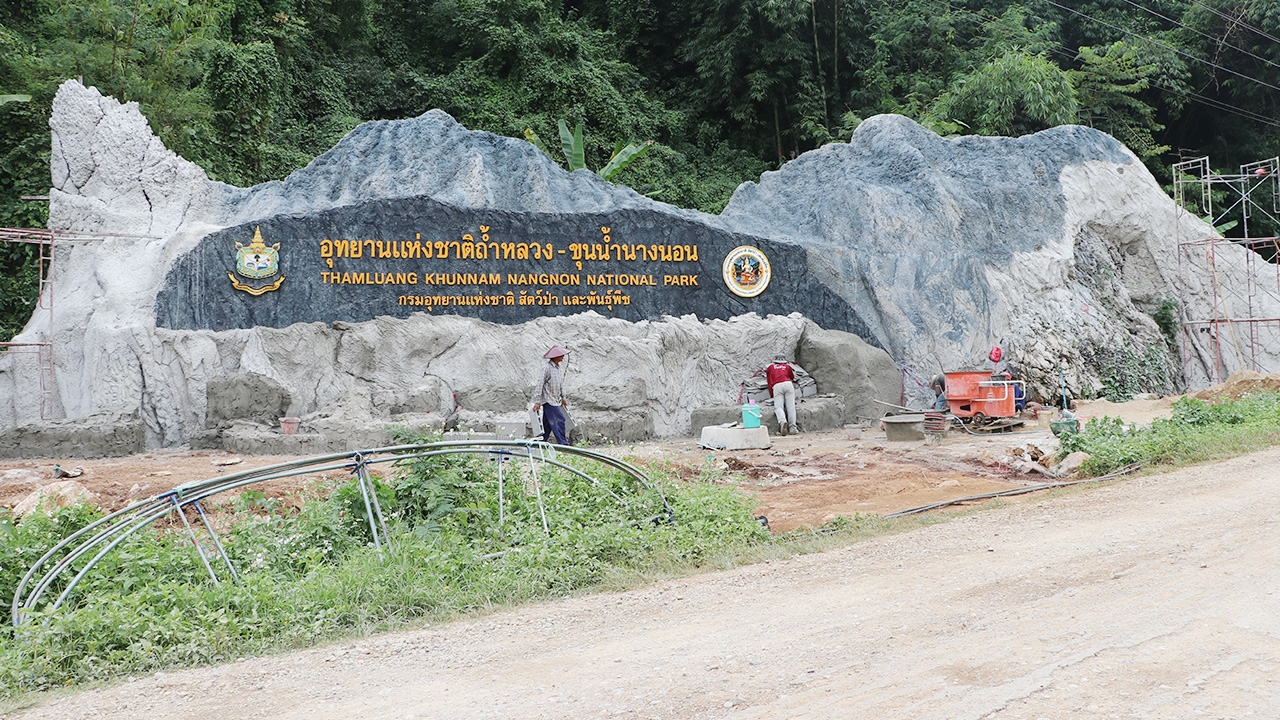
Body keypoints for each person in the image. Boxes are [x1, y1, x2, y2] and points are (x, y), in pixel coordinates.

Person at [532, 345, 571, 444]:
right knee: (560, 420)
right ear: (555, 356)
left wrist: (563, 398)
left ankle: (541, 442)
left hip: (555, 400)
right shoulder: (546, 368)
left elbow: (560, 384)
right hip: (548, 400)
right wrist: (537, 401)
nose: (563, 357)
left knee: (547, 423)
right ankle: (563, 443)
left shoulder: (558, 368)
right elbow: (540, 384)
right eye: (561, 355)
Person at [765, 353, 798, 436]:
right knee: (791, 407)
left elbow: (769, 382)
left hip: (777, 386)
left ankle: (782, 421)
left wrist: (771, 394)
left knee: (778, 407)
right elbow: (792, 377)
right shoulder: (787, 367)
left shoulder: (770, 367)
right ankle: (793, 428)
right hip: (788, 384)